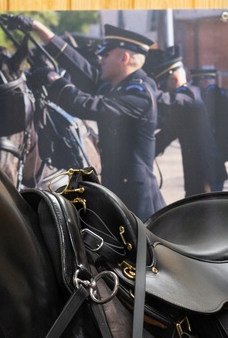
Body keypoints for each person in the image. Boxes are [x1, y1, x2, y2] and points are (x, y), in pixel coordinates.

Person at [26, 19, 165, 218]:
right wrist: (38, 28)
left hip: (139, 204)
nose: (100, 60)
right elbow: (78, 65)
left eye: (105, 55)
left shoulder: (140, 93)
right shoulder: (116, 86)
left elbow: (86, 105)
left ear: (124, 58)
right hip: (118, 193)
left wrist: (54, 80)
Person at [147, 47, 222, 197]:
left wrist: (144, 93)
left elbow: (167, 132)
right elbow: (168, 130)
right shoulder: (191, 94)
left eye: (164, 84)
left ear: (174, 79)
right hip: (201, 173)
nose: (166, 90)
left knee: (204, 216)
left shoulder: (188, 96)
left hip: (205, 174)